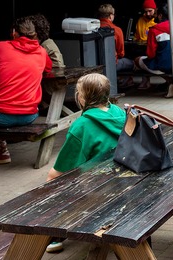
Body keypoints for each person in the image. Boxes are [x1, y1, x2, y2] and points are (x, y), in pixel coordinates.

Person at [44, 72, 126, 253]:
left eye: (79, 93)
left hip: (101, 185)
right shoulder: (119, 113)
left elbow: (62, 168)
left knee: (51, 180)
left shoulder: (81, 125)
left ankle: (55, 234)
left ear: (83, 97)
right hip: (125, 178)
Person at [0, 16, 52, 164]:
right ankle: (0, 146)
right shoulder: (42, 52)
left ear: (14, 33)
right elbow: (48, 69)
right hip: (30, 115)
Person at [134, 4, 173, 90]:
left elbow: (150, 54)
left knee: (137, 60)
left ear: (160, 15)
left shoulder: (154, 30)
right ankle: (172, 83)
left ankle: (169, 81)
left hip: (163, 66)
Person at [97, 3, 134, 75]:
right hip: (112, 64)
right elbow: (121, 53)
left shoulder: (93, 28)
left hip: (96, 64)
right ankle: (129, 81)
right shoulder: (116, 30)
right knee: (133, 63)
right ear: (110, 16)